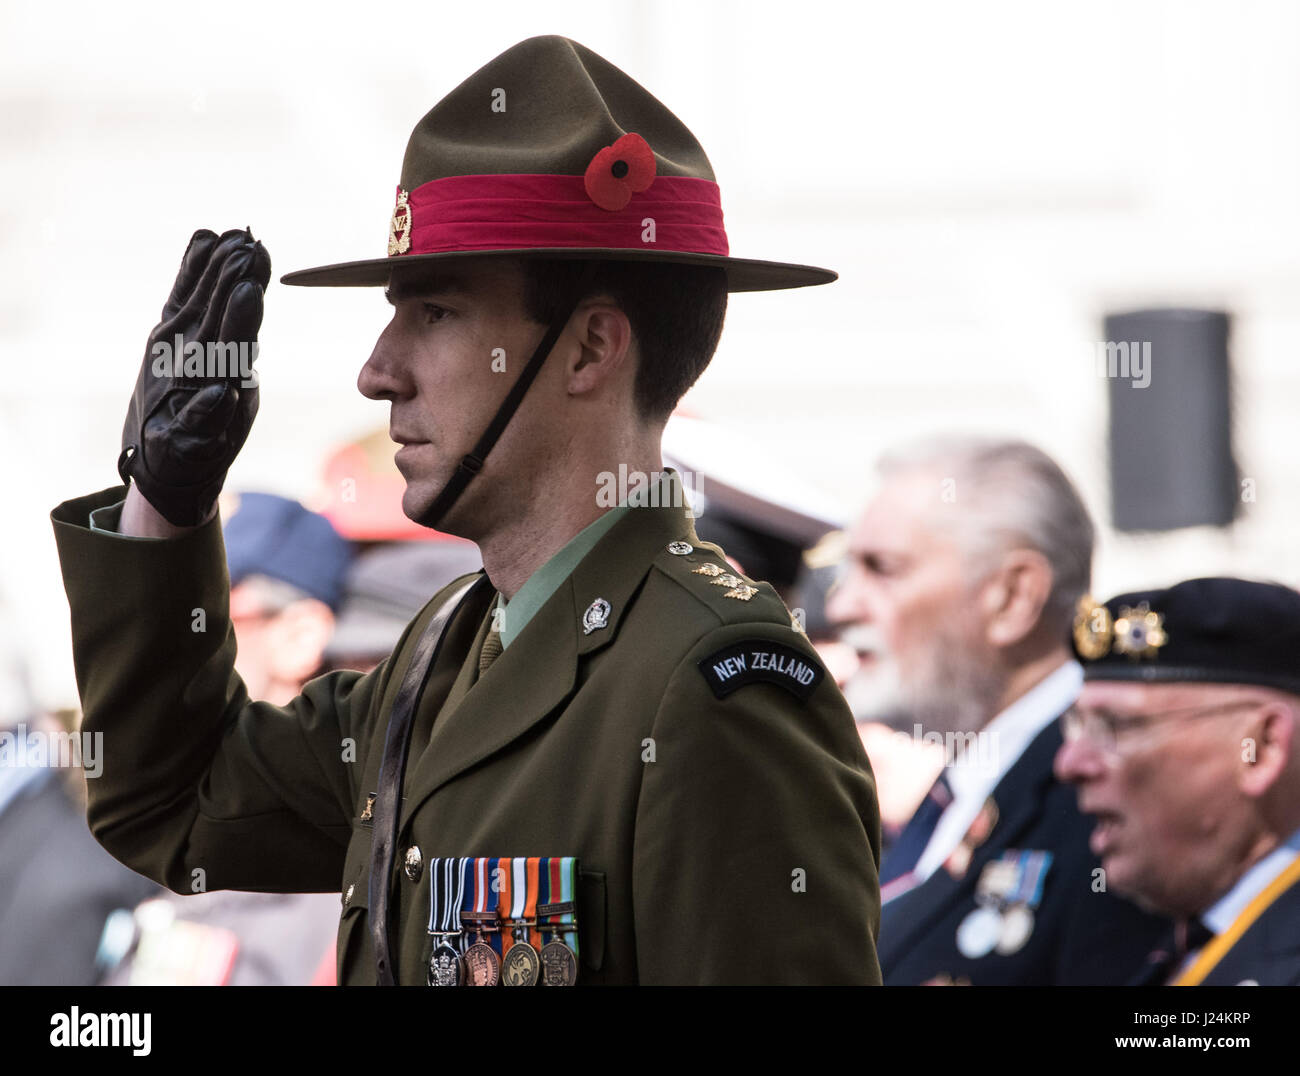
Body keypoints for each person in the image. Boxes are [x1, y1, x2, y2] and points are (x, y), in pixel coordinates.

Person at [50, 35, 881, 985]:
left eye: (435, 313)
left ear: (589, 350)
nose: (377, 371)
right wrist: (163, 506)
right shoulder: (445, 648)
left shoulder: (720, 695)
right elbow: (175, 802)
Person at [826, 434, 1167, 984]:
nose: (842, 604)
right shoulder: (962, 789)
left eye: (882, 568)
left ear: (1013, 597)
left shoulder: (1108, 800)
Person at [98, 493, 351, 985]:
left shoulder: (330, 868)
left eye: (207, 619)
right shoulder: (177, 811)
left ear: (299, 636)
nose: (169, 648)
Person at [1055, 577, 1300, 986]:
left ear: (1262, 747)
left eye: (1118, 726)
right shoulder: (1183, 945)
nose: (1069, 763)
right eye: (1077, 726)